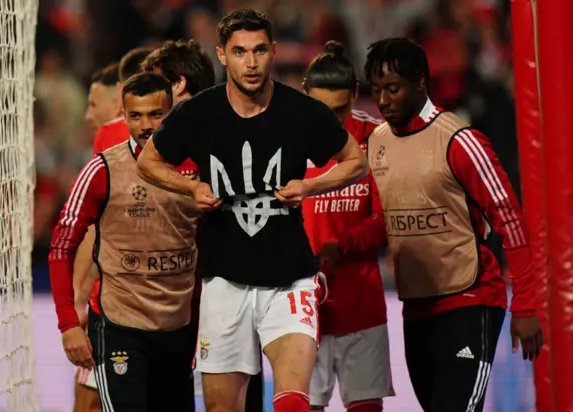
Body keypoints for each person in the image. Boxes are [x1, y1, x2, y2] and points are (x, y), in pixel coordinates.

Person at [136, 9, 369, 412]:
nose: (251, 62)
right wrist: (190, 187)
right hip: (224, 281)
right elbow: (148, 162)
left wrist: (309, 185)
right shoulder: (197, 113)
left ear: (274, 52)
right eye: (240, 51)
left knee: (294, 403)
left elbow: (356, 161)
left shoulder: (303, 111)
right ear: (222, 55)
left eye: (260, 50)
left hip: (290, 278)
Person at [364, 37, 543, 411]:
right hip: (415, 310)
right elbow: (385, 222)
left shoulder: (460, 140)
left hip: (469, 300)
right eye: (377, 90)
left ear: (421, 84)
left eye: (393, 89)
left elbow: (510, 219)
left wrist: (525, 306)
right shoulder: (377, 142)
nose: (383, 101)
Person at [49, 72, 199, 411]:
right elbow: (61, 247)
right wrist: (69, 323)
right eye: (135, 115)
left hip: (178, 329)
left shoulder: (199, 165)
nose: (145, 125)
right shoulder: (101, 169)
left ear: (172, 110)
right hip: (120, 328)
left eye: (155, 114)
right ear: (124, 115)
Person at [141, 39, 266, 412]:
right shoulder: (162, 143)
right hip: (182, 297)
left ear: (178, 85)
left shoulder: (219, 130)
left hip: (215, 290)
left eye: (155, 83)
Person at [301, 41, 394, 412]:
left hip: (362, 307)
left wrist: (341, 244)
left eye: (340, 111)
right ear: (304, 94)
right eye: (321, 110)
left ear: (356, 93)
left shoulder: (377, 139)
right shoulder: (285, 141)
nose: (330, 123)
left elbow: (387, 220)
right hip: (303, 312)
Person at [72, 62, 122, 412]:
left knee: (89, 404)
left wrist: (78, 297)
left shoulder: (111, 136)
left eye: (94, 104)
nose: (88, 115)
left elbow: (93, 228)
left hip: (111, 305)